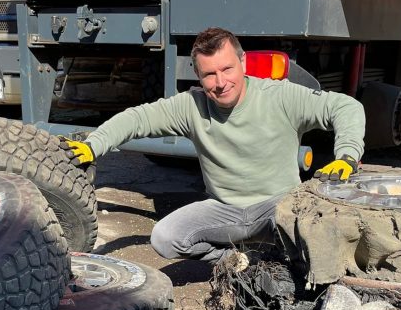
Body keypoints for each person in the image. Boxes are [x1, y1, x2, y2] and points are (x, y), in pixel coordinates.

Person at [62, 27, 366, 264]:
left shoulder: (280, 97)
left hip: (276, 207)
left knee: (317, 234)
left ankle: (284, 263)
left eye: (227, 69)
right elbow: (136, 119)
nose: (220, 82)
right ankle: (237, 263)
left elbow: (346, 107)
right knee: (165, 237)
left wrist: (347, 156)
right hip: (223, 210)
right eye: (210, 74)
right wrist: (94, 145)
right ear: (198, 75)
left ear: (243, 62)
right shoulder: (190, 106)